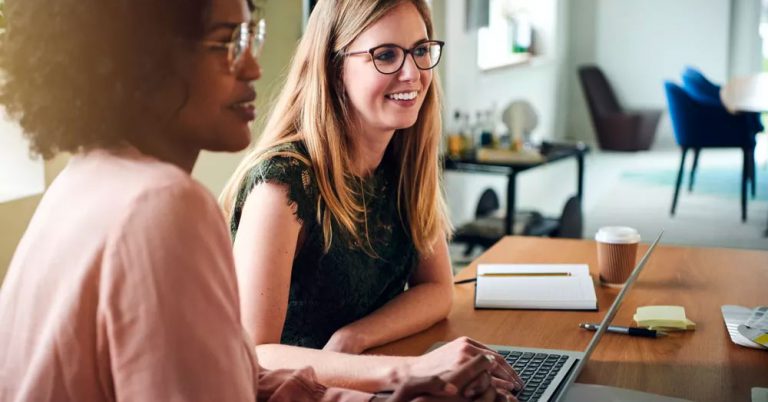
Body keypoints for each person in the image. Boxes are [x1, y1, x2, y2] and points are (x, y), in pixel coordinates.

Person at [0, 0, 508, 400]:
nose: (251, 65)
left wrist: (394, 386)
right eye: (225, 43)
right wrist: (403, 372)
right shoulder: (164, 204)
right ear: (142, 59)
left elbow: (240, 377)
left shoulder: (84, 177)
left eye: (249, 37)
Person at [220, 0, 522, 396]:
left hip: (367, 382)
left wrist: (355, 338)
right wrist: (408, 370)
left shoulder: (403, 157)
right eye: (385, 55)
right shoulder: (282, 184)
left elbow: (437, 289)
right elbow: (254, 354)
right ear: (334, 66)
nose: (412, 73)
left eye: (419, 50)